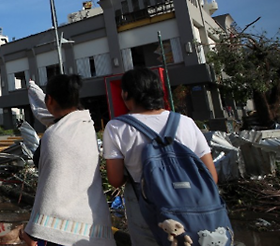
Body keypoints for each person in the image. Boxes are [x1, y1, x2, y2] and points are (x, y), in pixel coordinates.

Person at [102, 67, 217, 246]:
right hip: (191, 204)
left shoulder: (116, 127)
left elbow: (115, 180)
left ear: (125, 94)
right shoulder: (186, 122)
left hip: (146, 208)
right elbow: (211, 176)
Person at [20, 74, 115, 246]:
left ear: (49, 100)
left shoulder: (54, 134)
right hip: (92, 224)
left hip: (59, 233)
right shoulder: (87, 126)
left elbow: (50, 186)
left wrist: (33, 232)